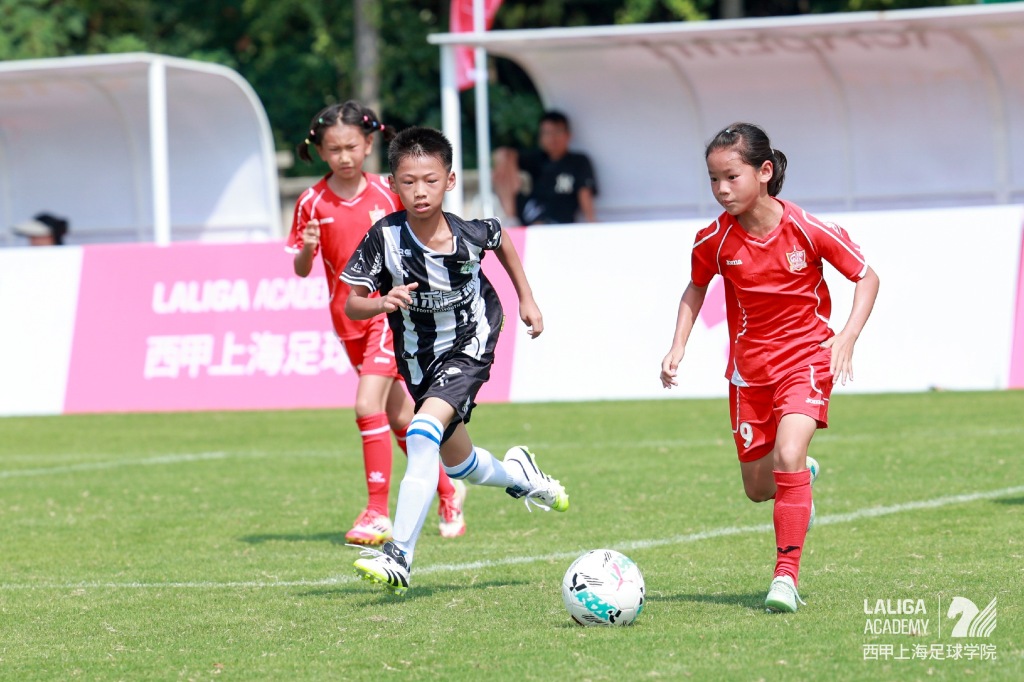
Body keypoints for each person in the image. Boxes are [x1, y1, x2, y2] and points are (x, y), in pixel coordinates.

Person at [659, 123, 879, 613]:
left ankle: (785, 578)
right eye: (713, 179)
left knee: (788, 453)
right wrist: (677, 346)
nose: (721, 189)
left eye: (731, 177)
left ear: (763, 172)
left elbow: (867, 277)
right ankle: (800, 476)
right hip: (748, 373)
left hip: (807, 359)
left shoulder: (806, 228)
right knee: (759, 489)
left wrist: (846, 336)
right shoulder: (714, 239)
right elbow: (696, 287)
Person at [341, 126, 569, 595]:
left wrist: (526, 299)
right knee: (460, 463)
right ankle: (522, 477)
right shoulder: (384, 238)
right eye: (408, 182)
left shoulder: (469, 233)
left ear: (449, 181)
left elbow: (501, 238)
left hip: (471, 341)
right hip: (418, 358)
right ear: (392, 183)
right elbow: (352, 304)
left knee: (420, 433)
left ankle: (399, 555)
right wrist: (382, 301)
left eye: (430, 180)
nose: (420, 191)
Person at [286, 101, 468, 546]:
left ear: (368, 144)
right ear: (320, 151)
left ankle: (376, 512)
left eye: (351, 146)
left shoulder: (389, 193)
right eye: (334, 149)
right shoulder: (311, 201)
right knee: (400, 416)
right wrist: (307, 248)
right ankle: (448, 492)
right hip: (349, 319)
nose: (344, 156)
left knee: (367, 405)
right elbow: (302, 270)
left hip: (390, 314)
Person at [493, 110, 598, 226]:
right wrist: (504, 163)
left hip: (559, 218)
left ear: (568, 135)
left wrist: (591, 222)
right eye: (547, 133)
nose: (552, 138)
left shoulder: (578, 161)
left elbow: (584, 192)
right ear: (540, 138)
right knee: (504, 162)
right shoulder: (537, 159)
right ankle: (511, 220)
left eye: (557, 132)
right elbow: (506, 154)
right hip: (532, 211)